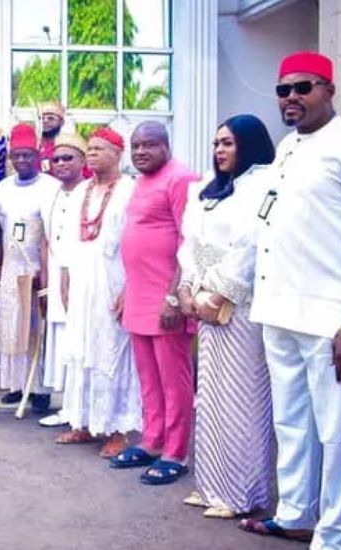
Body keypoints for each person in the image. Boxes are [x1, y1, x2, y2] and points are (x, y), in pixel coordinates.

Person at [237, 51, 341, 550]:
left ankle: (336, 536)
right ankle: (295, 512)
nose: (291, 98)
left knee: (340, 435)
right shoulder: (288, 148)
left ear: (329, 91)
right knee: (291, 422)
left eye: (304, 87)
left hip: (330, 317)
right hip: (279, 311)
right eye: (283, 90)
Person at [175, 115, 276, 520]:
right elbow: (194, 242)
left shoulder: (264, 183)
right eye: (217, 143)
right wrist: (189, 288)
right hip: (206, 300)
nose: (220, 150)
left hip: (241, 305)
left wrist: (221, 292)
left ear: (249, 145)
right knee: (213, 397)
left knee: (243, 399)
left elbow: (250, 246)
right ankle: (213, 485)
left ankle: (242, 494)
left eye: (229, 143)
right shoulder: (209, 189)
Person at [111, 121, 199, 486]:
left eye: (149, 145)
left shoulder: (181, 178)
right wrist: (128, 289)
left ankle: (175, 453)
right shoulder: (141, 181)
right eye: (135, 146)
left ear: (166, 146)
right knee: (148, 377)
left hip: (167, 298)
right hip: (139, 293)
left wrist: (173, 296)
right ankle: (151, 441)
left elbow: (188, 241)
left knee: (173, 380)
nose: (141, 152)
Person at [56, 128, 142, 458]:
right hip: (80, 283)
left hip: (114, 283)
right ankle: (82, 423)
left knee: (112, 352)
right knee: (80, 350)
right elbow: (67, 243)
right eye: (89, 149)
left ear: (118, 153)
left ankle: (117, 429)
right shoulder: (80, 192)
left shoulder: (130, 191)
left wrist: (131, 287)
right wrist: (64, 280)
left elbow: (137, 244)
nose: (91, 154)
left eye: (99, 149)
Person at [0, 123, 57, 414]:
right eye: (16, 156)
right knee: (12, 324)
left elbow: (52, 232)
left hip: (38, 266)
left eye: (27, 155)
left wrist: (43, 274)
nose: (21, 161)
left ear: (38, 154)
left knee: (36, 327)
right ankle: (16, 384)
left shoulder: (51, 187)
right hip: (11, 266)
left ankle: (39, 389)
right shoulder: (3, 188)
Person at [37, 134, 88, 428]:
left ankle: (81, 409)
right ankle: (68, 407)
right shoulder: (51, 194)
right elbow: (45, 241)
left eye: (68, 158)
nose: (61, 164)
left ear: (83, 160)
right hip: (56, 277)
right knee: (61, 342)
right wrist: (45, 284)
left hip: (82, 278)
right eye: (56, 159)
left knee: (80, 342)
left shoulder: (91, 192)